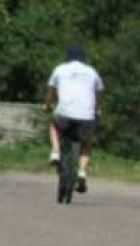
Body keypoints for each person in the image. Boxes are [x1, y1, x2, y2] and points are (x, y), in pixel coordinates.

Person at [44, 46, 104, 194]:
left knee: (54, 125)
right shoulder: (92, 72)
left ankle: (56, 152)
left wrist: (47, 105)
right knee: (86, 142)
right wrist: (98, 109)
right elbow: (98, 94)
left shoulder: (59, 69)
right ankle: (82, 172)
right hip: (86, 116)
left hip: (64, 114)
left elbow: (51, 92)